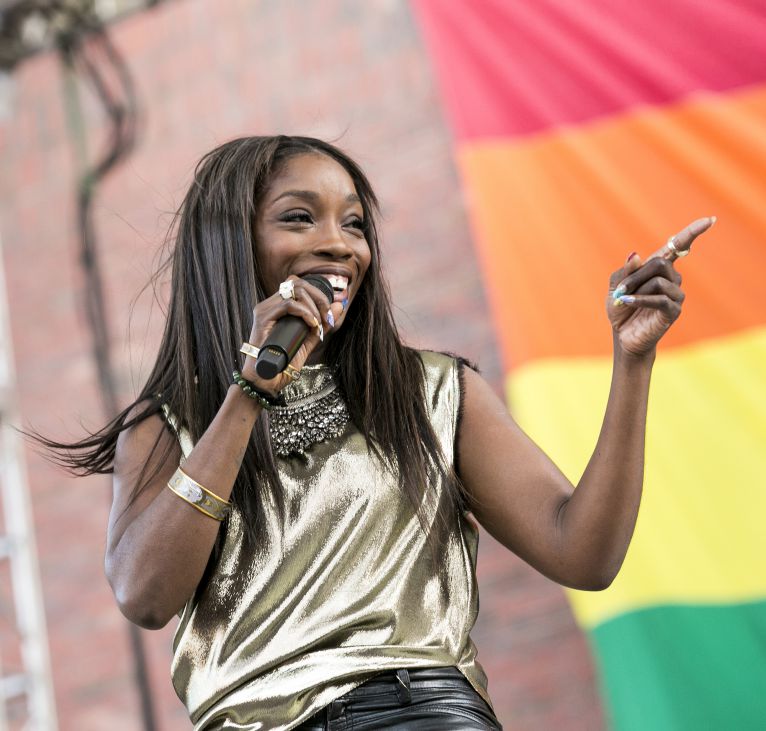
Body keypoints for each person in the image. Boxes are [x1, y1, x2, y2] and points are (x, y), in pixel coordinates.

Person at [45, 135, 713, 730]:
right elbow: (144, 595)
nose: (340, 243)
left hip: (416, 711)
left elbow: (584, 555)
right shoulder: (169, 427)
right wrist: (250, 392)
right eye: (299, 217)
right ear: (229, 245)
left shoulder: (431, 392)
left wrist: (633, 362)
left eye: (355, 223)